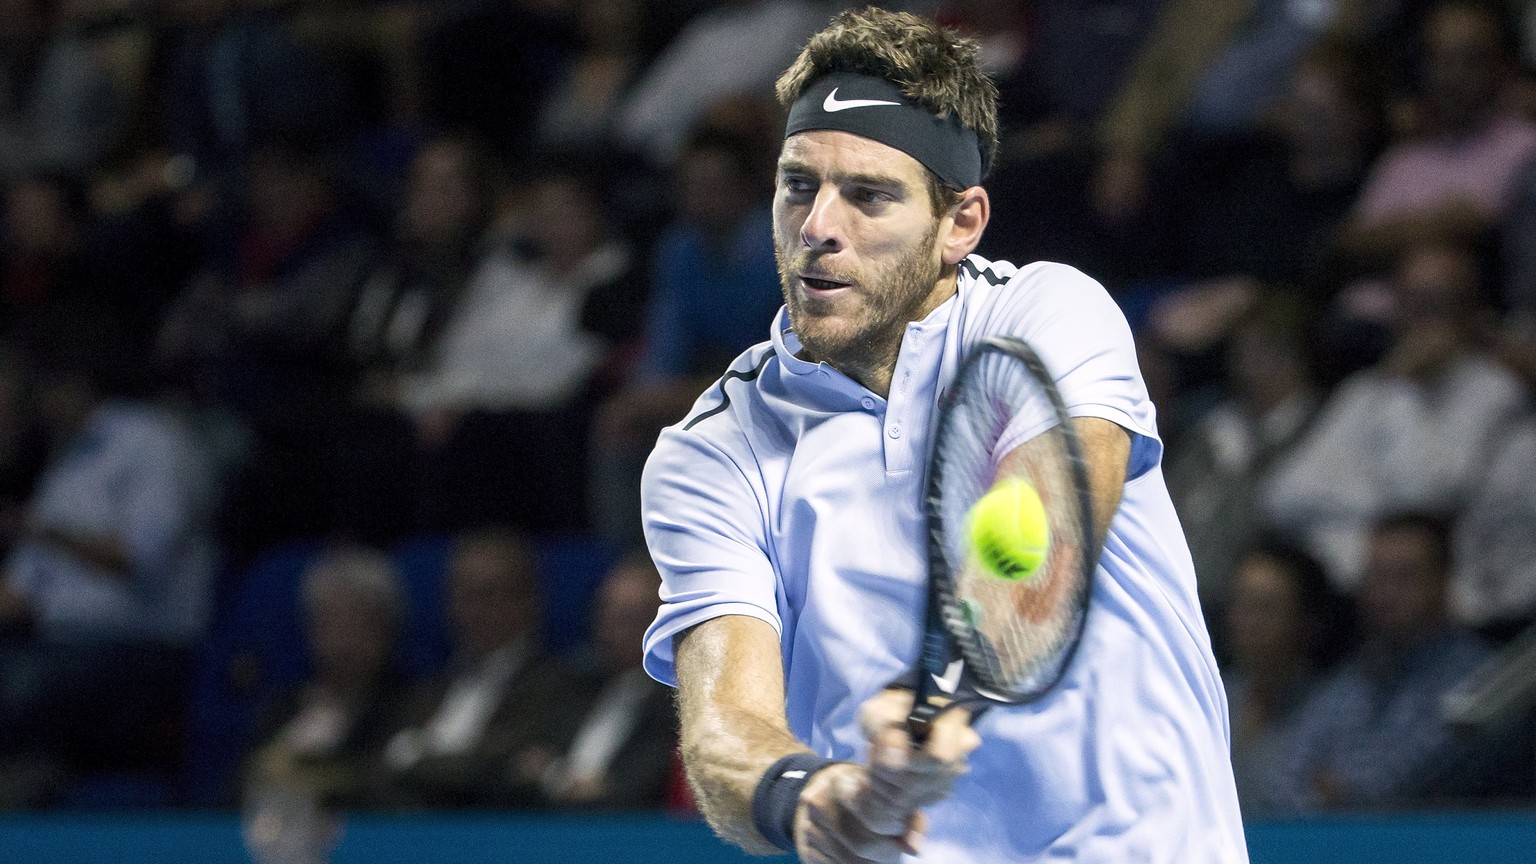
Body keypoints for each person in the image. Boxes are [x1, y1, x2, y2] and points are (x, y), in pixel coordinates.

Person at [639, 8, 1245, 863]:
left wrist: (936, 688)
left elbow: (1045, 524)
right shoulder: (710, 451)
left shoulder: (1051, 312)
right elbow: (723, 725)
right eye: (798, 183)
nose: (818, 224)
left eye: (869, 194)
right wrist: (810, 795)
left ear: (960, 222)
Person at [1274, 513, 1494, 809]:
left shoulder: (1479, 677)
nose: (1385, 592)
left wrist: (1340, 789)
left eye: (1404, 576)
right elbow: (1287, 777)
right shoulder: (1352, 678)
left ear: (1443, 582)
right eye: (1376, 575)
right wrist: (1325, 793)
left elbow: (1405, 781)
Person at [372, 529, 586, 809]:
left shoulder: (556, 685)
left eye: (486, 595)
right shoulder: (425, 688)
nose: (471, 611)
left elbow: (501, 768)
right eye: (462, 594)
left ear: (528, 600)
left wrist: (414, 760)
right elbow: (377, 765)